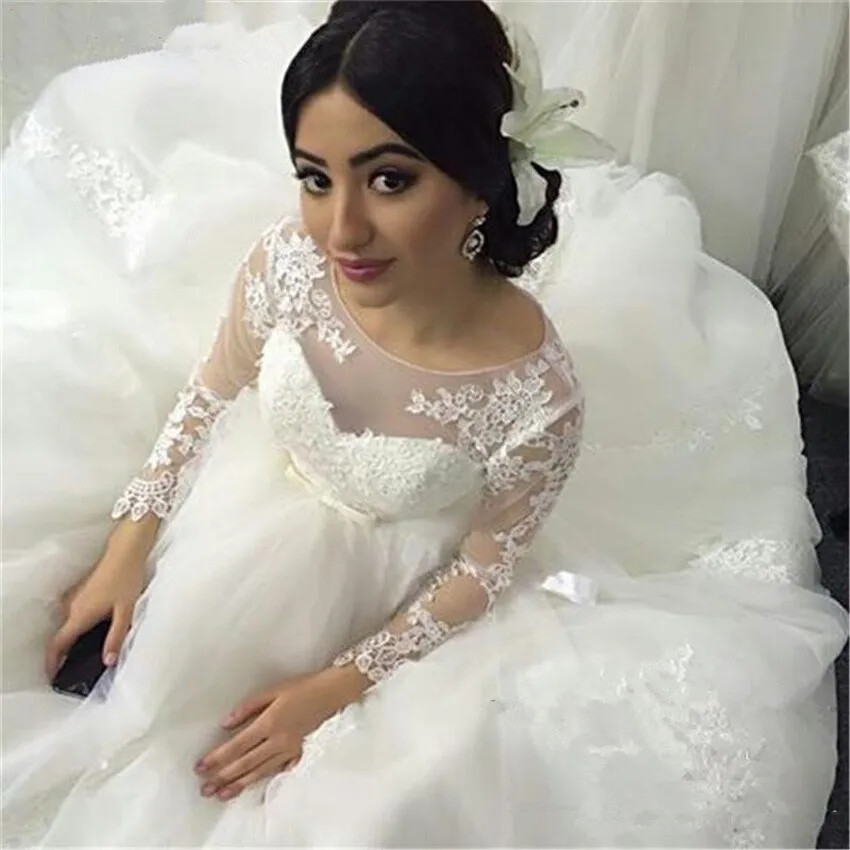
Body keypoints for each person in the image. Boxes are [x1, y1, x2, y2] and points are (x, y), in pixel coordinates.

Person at [1, 1, 847, 846]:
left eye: (390, 181)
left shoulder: (534, 395)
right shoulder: (288, 264)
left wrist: (335, 687)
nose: (342, 231)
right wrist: (131, 541)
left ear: (479, 180)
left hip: (387, 592)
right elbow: (213, 389)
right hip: (237, 520)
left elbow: (482, 569)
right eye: (316, 178)